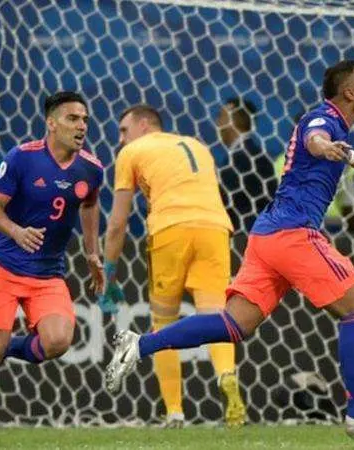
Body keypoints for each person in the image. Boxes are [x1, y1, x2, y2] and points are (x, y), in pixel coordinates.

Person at [106, 61, 354, 437]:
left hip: (266, 236)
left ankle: (139, 345)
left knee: (233, 324)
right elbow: (316, 140)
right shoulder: (324, 118)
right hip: (293, 233)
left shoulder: (333, 123)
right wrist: (343, 154)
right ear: (349, 93)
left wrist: (346, 154)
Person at [0, 92, 104, 440]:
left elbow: (90, 205)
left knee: (58, 341)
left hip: (48, 273)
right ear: (51, 123)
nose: (81, 126)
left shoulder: (91, 168)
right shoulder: (22, 157)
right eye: (72, 119)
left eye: (85, 120)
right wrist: (17, 232)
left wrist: (92, 252)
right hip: (3, 266)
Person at [99, 104, 245, 428]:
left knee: (163, 324)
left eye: (124, 130)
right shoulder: (197, 145)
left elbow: (117, 224)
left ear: (145, 125)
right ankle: (226, 376)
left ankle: (175, 411)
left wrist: (108, 274)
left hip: (171, 228)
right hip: (215, 229)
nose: (121, 140)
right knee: (215, 317)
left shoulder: (133, 151)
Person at [216, 98, 277, 231]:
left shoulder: (243, 157)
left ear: (231, 120)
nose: (217, 124)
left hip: (247, 236)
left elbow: (225, 197)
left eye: (221, 117)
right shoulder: (252, 154)